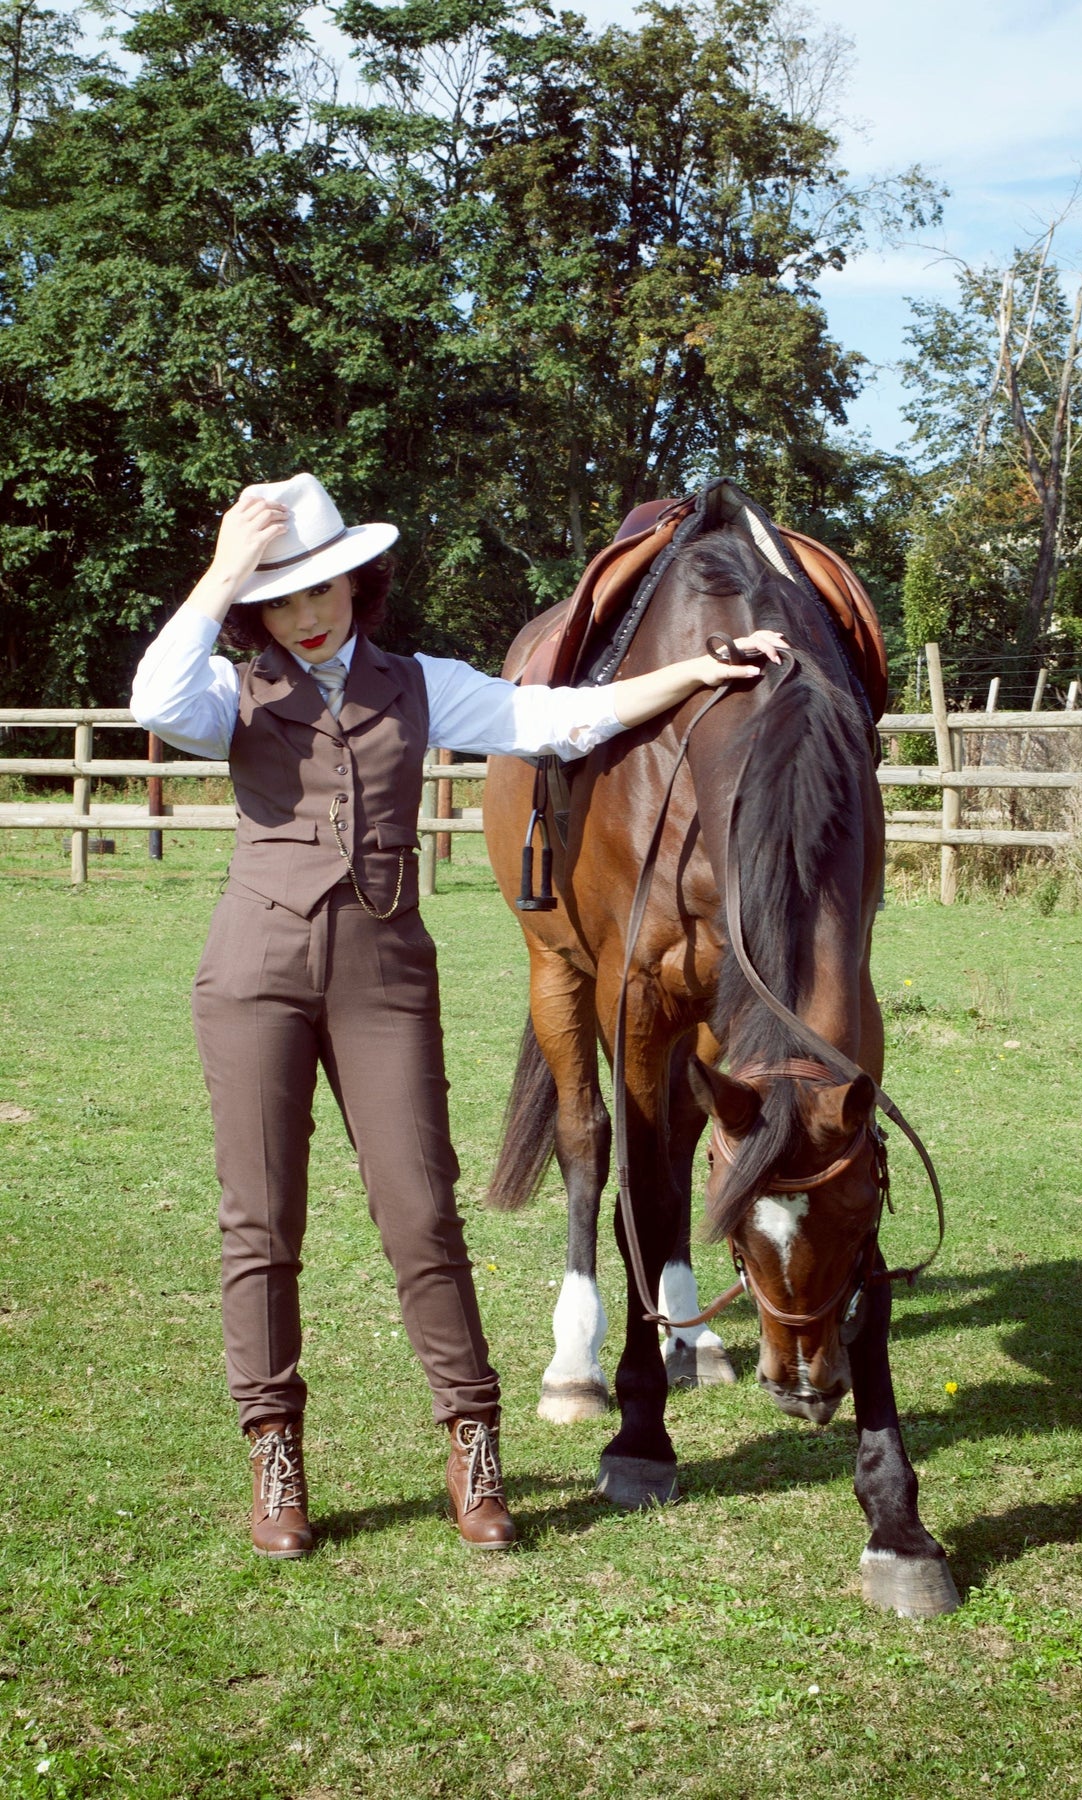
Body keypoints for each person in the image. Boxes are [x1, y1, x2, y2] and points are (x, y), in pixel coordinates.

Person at [130, 471, 784, 1560]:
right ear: (256, 606)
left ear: (361, 582)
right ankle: (275, 1457)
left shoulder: (416, 683)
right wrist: (219, 572)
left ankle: (473, 1448)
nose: (312, 609)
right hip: (253, 975)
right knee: (261, 1226)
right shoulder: (224, 691)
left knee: (424, 1220)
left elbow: (561, 718)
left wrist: (697, 670)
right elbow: (153, 700)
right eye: (285, 594)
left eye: (329, 584)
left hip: (384, 976)